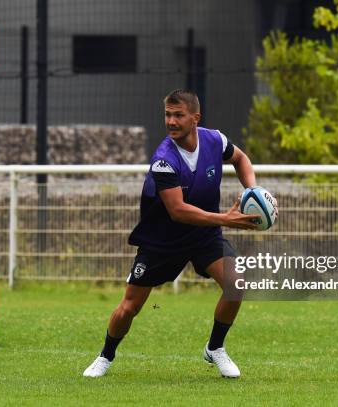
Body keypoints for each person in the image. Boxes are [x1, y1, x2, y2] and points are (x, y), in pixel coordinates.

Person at [83, 89, 275, 378]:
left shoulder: (215, 140)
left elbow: (241, 159)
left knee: (236, 286)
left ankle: (215, 349)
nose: (171, 121)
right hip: (162, 241)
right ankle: (105, 356)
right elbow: (178, 211)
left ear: (195, 118)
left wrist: (251, 191)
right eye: (167, 115)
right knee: (130, 306)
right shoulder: (164, 159)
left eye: (178, 115)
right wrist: (226, 219)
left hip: (204, 237)